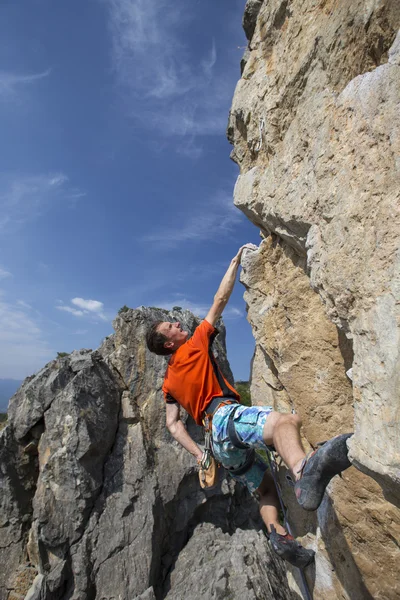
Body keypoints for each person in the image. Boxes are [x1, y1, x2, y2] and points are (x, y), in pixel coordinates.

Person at [146, 243, 352, 568]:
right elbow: (219, 301)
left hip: (217, 445)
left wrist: (200, 456)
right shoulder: (193, 345)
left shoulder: (168, 382)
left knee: (265, 487)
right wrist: (234, 262)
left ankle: (278, 536)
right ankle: (304, 472)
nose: (175, 323)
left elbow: (173, 424)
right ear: (169, 343)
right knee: (285, 422)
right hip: (227, 417)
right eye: (169, 327)